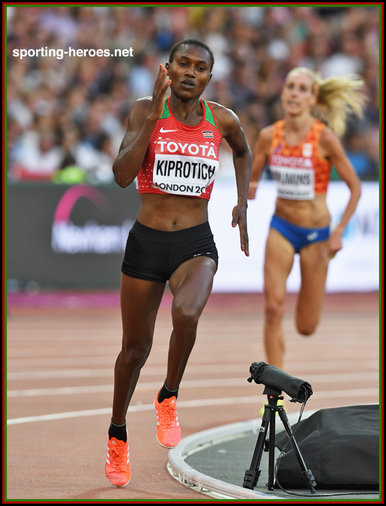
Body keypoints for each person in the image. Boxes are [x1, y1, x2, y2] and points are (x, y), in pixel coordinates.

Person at [105, 39, 251, 487]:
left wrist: (243, 202)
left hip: (195, 243)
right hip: (146, 243)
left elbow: (243, 152)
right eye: (182, 64)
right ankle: (117, 434)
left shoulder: (222, 120)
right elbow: (123, 175)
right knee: (134, 351)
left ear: (210, 76)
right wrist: (151, 119)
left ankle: (168, 395)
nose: (190, 73)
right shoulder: (144, 108)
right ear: (167, 69)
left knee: (186, 313)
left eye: (200, 67)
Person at [248, 67, 364, 372]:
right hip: (281, 228)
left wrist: (339, 232)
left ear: (313, 98)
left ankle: (311, 293)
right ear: (283, 93)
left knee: (306, 326)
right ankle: (274, 391)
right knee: (272, 309)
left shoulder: (324, 138)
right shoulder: (268, 136)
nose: (294, 93)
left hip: (316, 236)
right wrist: (245, 195)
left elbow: (355, 188)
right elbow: (251, 178)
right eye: (290, 87)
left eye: (302, 89)